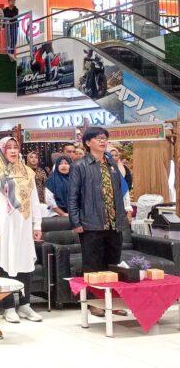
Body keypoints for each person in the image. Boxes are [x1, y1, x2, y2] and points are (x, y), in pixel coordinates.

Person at [0, 137, 43, 323]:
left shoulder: (27, 172)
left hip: (24, 224)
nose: (13, 151)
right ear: (2, 150)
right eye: (9, 148)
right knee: (6, 262)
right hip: (4, 225)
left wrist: (37, 224)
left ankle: (25, 305)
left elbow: (34, 200)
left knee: (26, 262)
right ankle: (8, 307)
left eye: (16, 147)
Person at [69, 128, 128, 318]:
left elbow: (119, 193)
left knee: (113, 265)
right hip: (91, 222)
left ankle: (113, 302)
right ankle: (94, 302)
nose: (103, 141)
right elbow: (73, 196)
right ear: (88, 143)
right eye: (98, 138)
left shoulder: (111, 164)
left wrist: (122, 217)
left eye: (105, 138)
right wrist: (76, 221)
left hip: (114, 223)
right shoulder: (80, 165)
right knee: (93, 265)